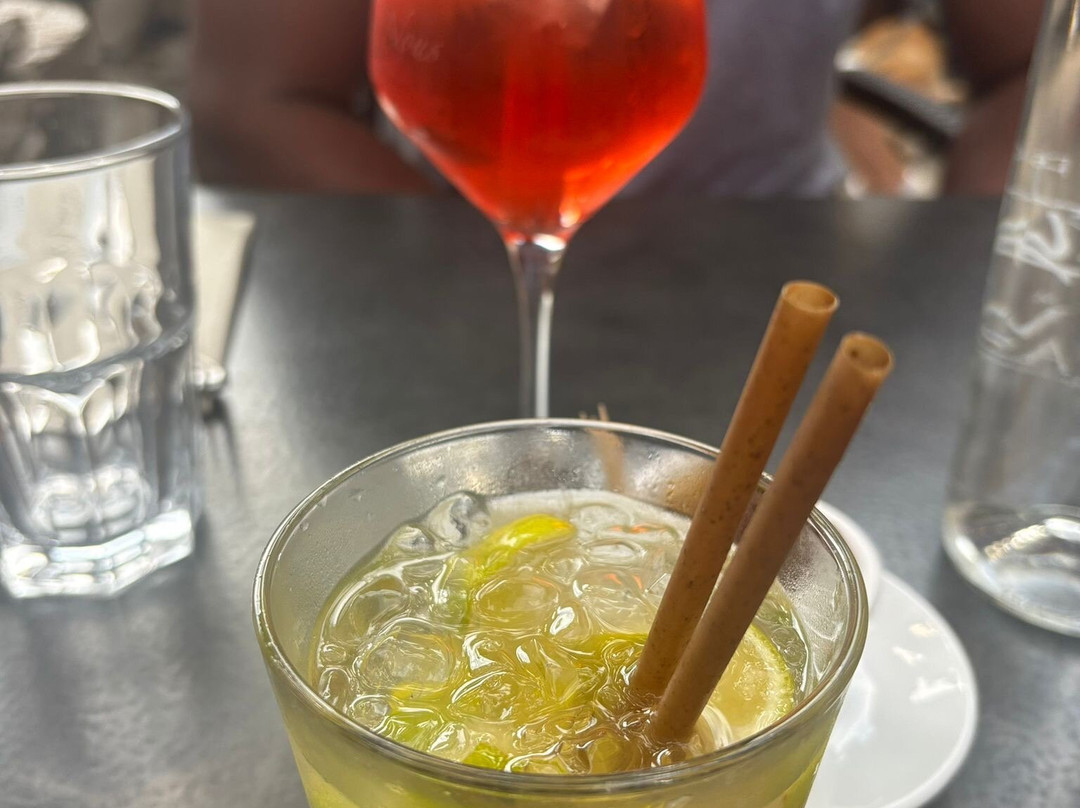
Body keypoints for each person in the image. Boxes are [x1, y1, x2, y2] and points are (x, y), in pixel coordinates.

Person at [191, 0, 1042, 196]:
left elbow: (1037, 69)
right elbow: (255, 104)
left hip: (786, 265)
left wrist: (984, 285)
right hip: (454, 253)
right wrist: (500, 267)